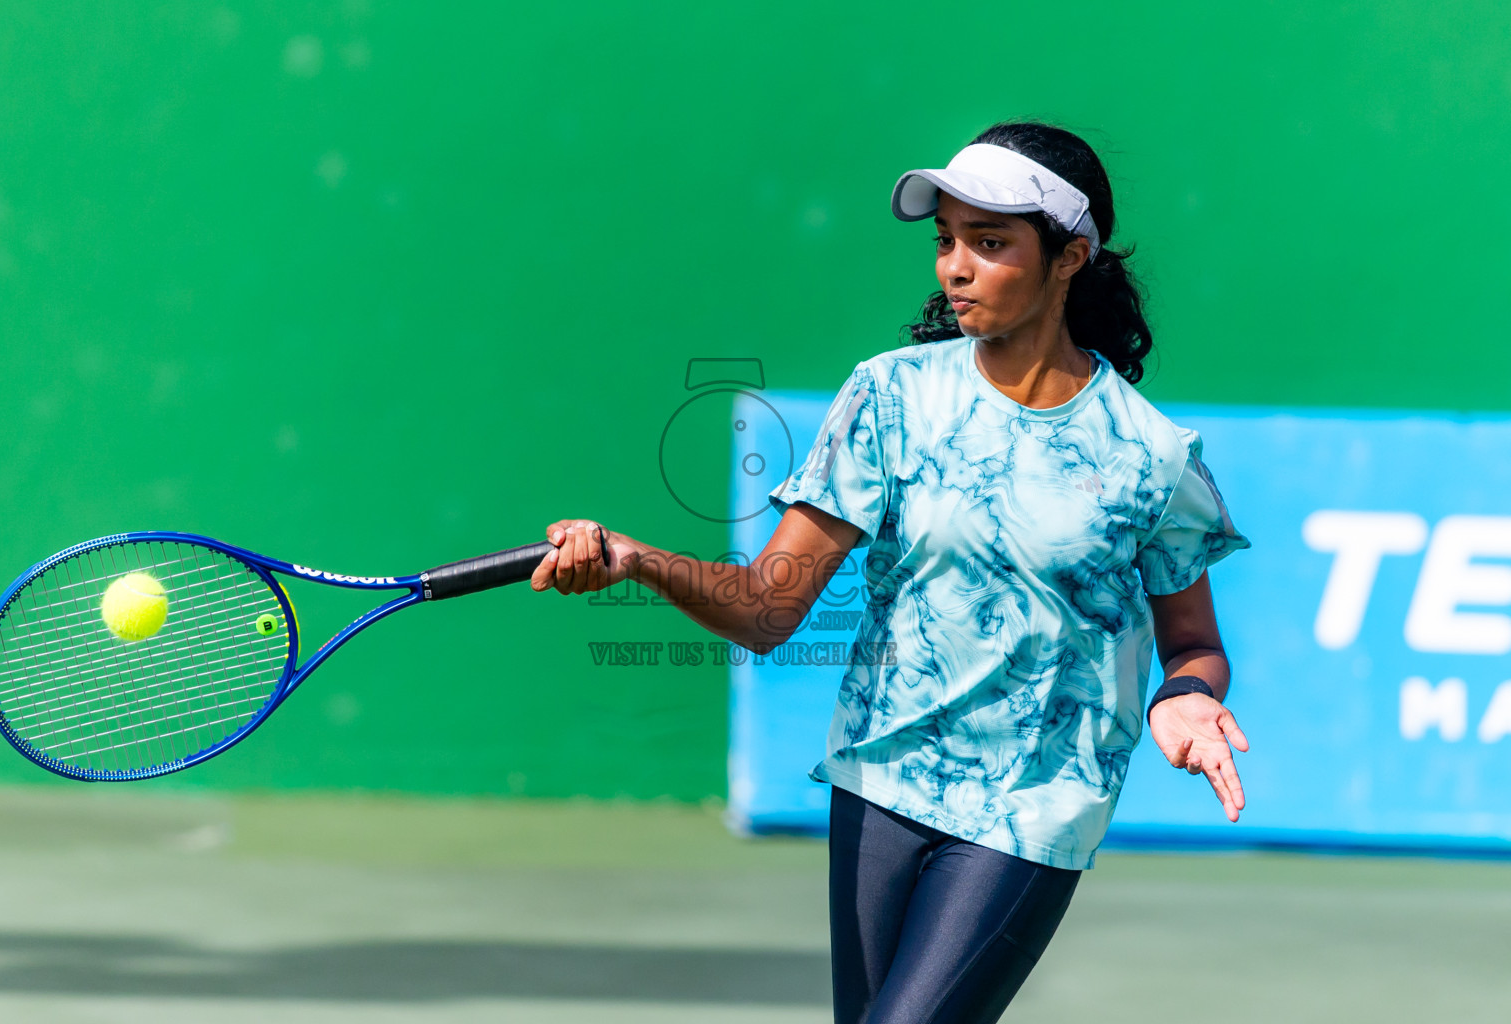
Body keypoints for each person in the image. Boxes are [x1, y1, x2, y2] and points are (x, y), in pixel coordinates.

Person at [530, 120, 1251, 1024]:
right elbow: (766, 608)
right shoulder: (889, 395)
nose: (955, 267)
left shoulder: (1150, 455)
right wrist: (638, 560)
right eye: (946, 240)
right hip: (882, 784)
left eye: (990, 244)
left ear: (1069, 258)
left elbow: (1194, 642)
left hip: (1033, 808)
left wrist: (1183, 697)